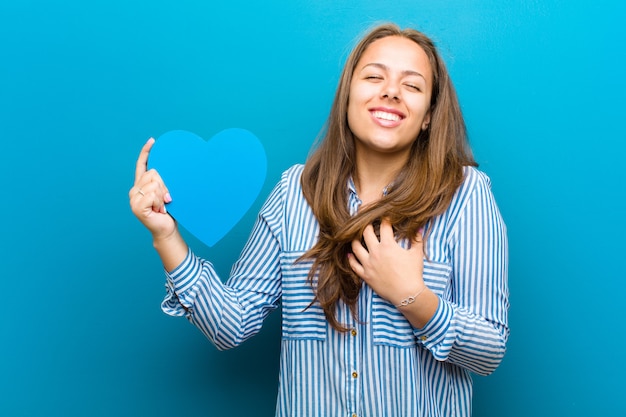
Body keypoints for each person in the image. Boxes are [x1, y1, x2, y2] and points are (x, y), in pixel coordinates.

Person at [129, 23, 509, 417]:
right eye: (374, 77)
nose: (391, 91)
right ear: (347, 96)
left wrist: (412, 295)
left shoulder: (465, 195)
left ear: (429, 115)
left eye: (412, 86)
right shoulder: (295, 192)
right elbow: (231, 324)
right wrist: (166, 236)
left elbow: (489, 352)